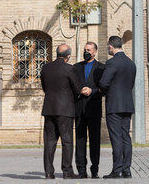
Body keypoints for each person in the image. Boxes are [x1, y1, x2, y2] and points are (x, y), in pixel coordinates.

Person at [40, 44, 83, 179]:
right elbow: (77, 88)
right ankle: (67, 171)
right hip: (65, 109)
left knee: (49, 142)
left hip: (49, 109)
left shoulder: (45, 68)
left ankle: (48, 172)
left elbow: (45, 87)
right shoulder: (69, 69)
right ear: (68, 56)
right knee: (67, 140)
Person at [99, 35, 136, 179]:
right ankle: (127, 170)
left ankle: (117, 170)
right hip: (127, 104)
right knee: (126, 137)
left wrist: (103, 91)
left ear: (110, 46)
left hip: (114, 105)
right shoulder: (131, 63)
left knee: (116, 138)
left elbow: (103, 83)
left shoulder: (112, 63)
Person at [73, 41, 105, 179]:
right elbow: (71, 85)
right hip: (79, 109)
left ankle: (94, 170)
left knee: (95, 141)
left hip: (94, 108)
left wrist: (92, 91)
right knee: (80, 141)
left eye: (89, 50)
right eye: (85, 49)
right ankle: (81, 170)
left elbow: (104, 88)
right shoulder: (76, 67)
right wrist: (79, 90)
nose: (87, 51)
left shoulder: (101, 68)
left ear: (95, 52)